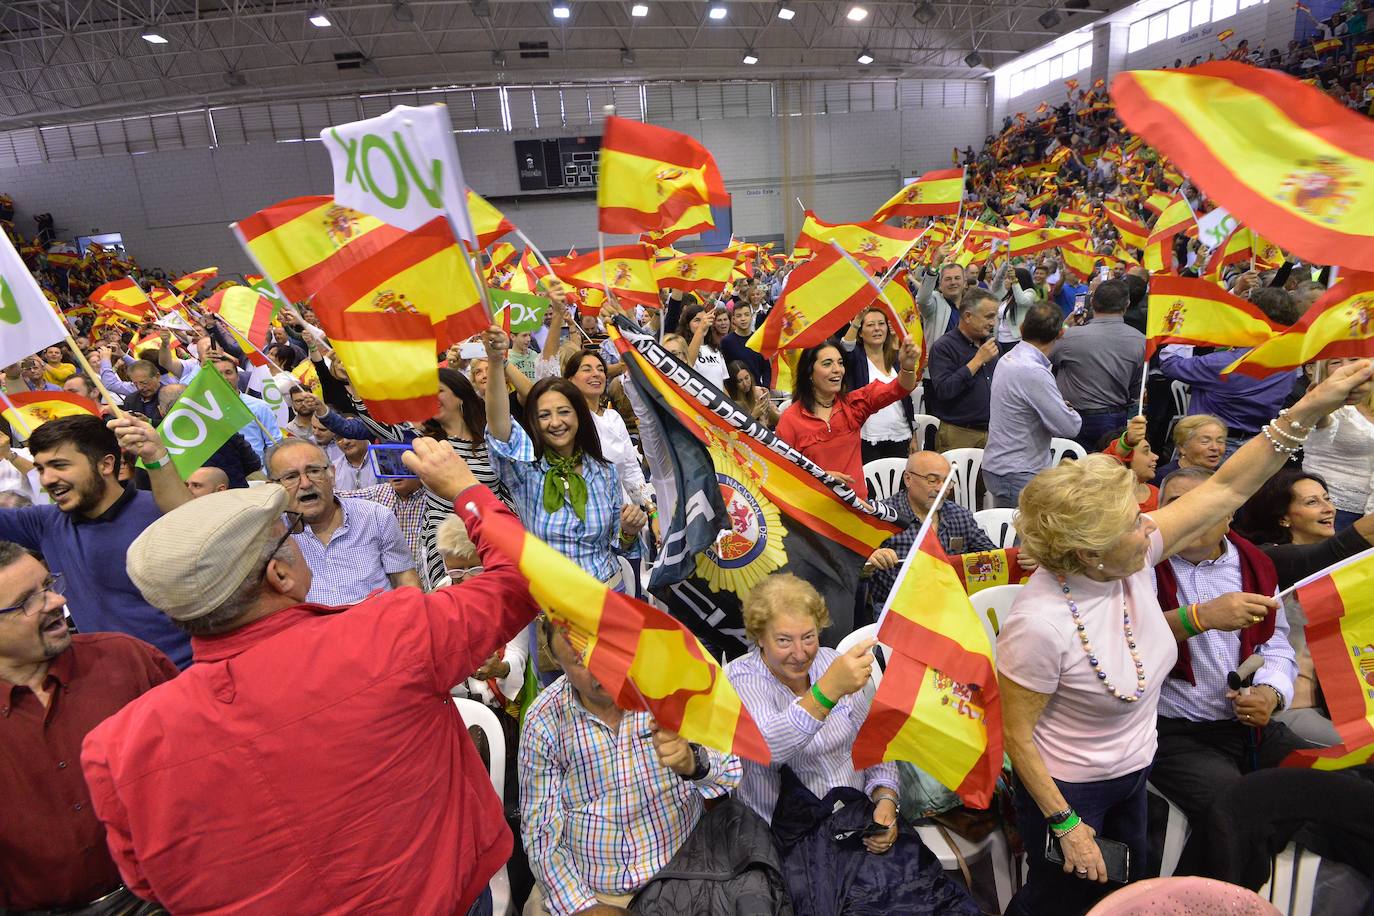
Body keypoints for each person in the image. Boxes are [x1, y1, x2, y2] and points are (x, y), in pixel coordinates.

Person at [80, 440, 538, 914]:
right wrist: (466, 488)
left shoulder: (116, 750)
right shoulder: (389, 634)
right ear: (280, 574)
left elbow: (151, 882)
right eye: (288, 535)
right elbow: (521, 577)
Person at [995, 357, 1373, 916]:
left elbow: (1225, 487)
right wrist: (1066, 824)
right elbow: (1015, 734)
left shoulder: (1131, 554)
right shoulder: (1039, 623)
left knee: (1125, 887)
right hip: (1071, 791)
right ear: (1087, 553)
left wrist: (1310, 407)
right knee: (1062, 899)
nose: (1149, 524)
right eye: (1132, 521)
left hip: (1135, 770)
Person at [725, 574, 980, 914]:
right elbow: (768, 748)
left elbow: (873, 743)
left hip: (857, 821)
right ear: (759, 637)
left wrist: (886, 799)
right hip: (790, 841)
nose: (800, 654)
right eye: (784, 640)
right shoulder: (742, 678)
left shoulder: (832, 662)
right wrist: (828, 691)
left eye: (809, 637)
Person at [520, 617, 743, 915]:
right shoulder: (544, 720)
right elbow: (540, 833)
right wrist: (585, 907)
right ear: (556, 660)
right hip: (589, 886)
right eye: (579, 661)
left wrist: (694, 763)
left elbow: (731, 772)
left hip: (680, 877)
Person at [0, 542, 176, 914]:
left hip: (166, 897)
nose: (54, 603)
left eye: (49, 585)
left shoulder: (128, 659)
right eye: (27, 601)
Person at [1147, 467, 1305, 876]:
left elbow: (1275, 644)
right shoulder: (1139, 566)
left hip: (1249, 727)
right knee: (1240, 811)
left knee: (1338, 785)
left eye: (1200, 506)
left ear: (1230, 512)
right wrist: (1200, 616)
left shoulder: (1254, 565)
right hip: (1174, 732)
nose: (1185, 517)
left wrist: (1270, 692)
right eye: (1174, 506)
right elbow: (1121, 637)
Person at [0, 414, 193, 667]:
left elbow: (199, 529)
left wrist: (156, 455)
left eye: (59, 465)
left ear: (105, 464)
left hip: (185, 677)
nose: (46, 480)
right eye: (40, 468)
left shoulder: (159, 512)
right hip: (115, 688)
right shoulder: (45, 523)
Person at [315, 367, 512, 589]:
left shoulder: (491, 440)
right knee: (451, 605)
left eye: (438, 391)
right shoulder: (423, 441)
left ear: (460, 395)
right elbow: (373, 421)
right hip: (442, 542)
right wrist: (354, 379)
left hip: (488, 534)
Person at [482, 328, 646, 590]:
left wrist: (628, 530)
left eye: (563, 412)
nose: (555, 422)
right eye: (544, 415)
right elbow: (500, 429)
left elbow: (619, 545)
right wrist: (494, 361)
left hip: (610, 598)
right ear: (533, 422)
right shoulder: (525, 470)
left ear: (579, 416)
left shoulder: (604, 471)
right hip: (553, 607)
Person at [264, 439, 419, 604]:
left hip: (378, 624)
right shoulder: (269, 537)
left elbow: (406, 581)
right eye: (291, 477)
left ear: (332, 474)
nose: (306, 483)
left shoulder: (375, 516)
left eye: (314, 471)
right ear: (273, 487)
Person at [1158, 288, 1302, 454]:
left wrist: (1183, 331)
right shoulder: (1290, 363)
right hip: (1257, 448)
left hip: (1211, 449)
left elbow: (1169, 363)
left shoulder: (1226, 364)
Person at [775, 336, 920, 491]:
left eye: (840, 363)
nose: (837, 369)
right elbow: (782, 475)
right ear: (809, 373)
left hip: (856, 508)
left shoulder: (854, 405)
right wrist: (820, 477)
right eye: (827, 364)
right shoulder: (791, 419)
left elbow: (899, 388)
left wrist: (908, 366)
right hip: (813, 509)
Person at [864, 450, 997, 612]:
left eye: (947, 482)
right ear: (908, 479)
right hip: (898, 610)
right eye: (932, 480)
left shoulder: (959, 515)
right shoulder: (881, 516)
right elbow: (851, 562)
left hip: (951, 605)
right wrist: (869, 555)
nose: (941, 488)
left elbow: (993, 558)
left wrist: (1019, 559)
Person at [982, 303, 1083, 508]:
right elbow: (1070, 427)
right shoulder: (1032, 370)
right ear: (1060, 335)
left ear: (1021, 329)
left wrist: (1054, 407)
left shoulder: (1009, 358)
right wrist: (1066, 411)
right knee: (1023, 539)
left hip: (1005, 466)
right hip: (1017, 472)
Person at [435, 515, 526, 707]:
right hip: (454, 704)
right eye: (457, 571)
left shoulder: (509, 595)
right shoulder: (438, 596)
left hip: (500, 705)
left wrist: (501, 669)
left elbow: (518, 651)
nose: (467, 579)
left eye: (476, 569)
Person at [1051, 279, 1146, 451]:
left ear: (1092, 302)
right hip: (1111, 417)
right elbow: (1136, 388)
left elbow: (1042, 358)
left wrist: (1065, 326)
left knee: (1072, 473)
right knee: (1107, 471)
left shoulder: (1069, 337)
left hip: (1077, 418)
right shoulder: (1140, 340)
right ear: (1127, 304)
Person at [1301, 358, 1374, 529]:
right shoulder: (1321, 401)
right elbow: (1321, 429)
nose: (1347, 367)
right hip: (1334, 509)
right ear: (1323, 370)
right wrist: (1318, 406)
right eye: (1336, 362)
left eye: (1354, 360)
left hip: (1369, 512)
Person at [926, 288, 1002, 450]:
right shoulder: (943, 347)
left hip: (993, 432)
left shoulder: (992, 345)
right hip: (959, 434)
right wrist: (978, 360)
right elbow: (945, 391)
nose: (993, 322)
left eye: (994, 317)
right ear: (968, 316)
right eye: (988, 316)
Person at [841, 306, 915, 463]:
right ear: (860, 333)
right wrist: (857, 320)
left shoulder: (896, 358)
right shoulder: (856, 359)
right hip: (866, 439)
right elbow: (844, 349)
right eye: (870, 325)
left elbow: (906, 399)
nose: (877, 328)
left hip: (900, 434)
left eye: (881, 324)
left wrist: (913, 433)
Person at [1099, 417, 1160, 511]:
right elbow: (1106, 462)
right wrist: (1127, 442)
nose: (1156, 457)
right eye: (1146, 451)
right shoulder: (1100, 499)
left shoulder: (1158, 494)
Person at [1152, 414, 1227, 485]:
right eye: (1205, 442)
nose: (1215, 447)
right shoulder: (1165, 478)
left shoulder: (1224, 475)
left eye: (1220, 441)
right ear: (1182, 447)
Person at [720, 297, 771, 389]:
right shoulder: (726, 342)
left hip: (758, 389)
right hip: (737, 393)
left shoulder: (759, 339)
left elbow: (766, 368)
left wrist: (766, 388)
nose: (743, 319)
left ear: (751, 317)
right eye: (739, 316)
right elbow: (725, 371)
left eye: (746, 315)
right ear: (733, 319)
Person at [679, 301, 728, 390]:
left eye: (704, 320)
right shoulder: (681, 348)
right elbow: (687, 366)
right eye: (697, 320)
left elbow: (721, 385)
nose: (703, 323)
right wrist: (700, 330)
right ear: (687, 325)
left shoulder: (715, 349)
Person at [724, 360, 781, 429]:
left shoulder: (759, 392)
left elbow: (779, 421)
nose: (745, 384)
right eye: (740, 381)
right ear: (733, 384)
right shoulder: (730, 402)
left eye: (747, 378)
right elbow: (736, 431)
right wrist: (754, 415)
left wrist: (767, 407)